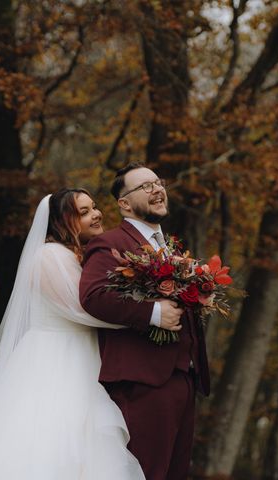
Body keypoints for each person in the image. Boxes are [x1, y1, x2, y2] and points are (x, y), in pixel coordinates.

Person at [0, 189, 145, 480]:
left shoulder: (75, 256)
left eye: (93, 207)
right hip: (56, 361)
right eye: (84, 211)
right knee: (51, 439)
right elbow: (81, 311)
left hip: (80, 356)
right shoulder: (49, 256)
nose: (96, 214)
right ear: (61, 221)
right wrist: (144, 316)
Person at [79, 164, 210, 480]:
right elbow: (92, 296)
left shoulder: (168, 247)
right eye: (145, 186)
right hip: (143, 382)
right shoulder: (110, 243)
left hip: (183, 379)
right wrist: (152, 313)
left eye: (158, 183)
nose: (156, 189)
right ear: (124, 203)